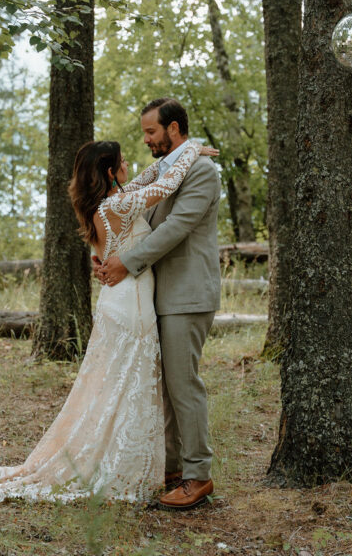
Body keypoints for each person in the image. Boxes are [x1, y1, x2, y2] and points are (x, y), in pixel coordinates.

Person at [0, 132, 216, 503]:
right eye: (124, 163)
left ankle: (150, 462)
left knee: (120, 384)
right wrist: (192, 148)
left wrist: (173, 155)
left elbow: (149, 178)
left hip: (119, 300)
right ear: (112, 171)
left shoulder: (107, 203)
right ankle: (127, 462)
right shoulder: (121, 205)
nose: (132, 167)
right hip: (131, 303)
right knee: (129, 386)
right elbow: (166, 182)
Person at [96, 98, 221, 510]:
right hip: (158, 296)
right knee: (165, 390)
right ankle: (172, 469)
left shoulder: (201, 170)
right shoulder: (170, 169)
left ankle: (198, 475)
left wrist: (126, 263)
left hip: (187, 295)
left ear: (174, 128)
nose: (146, 139)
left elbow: (175, 228)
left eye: (151, 131)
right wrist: (105, 249)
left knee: (184, 386)